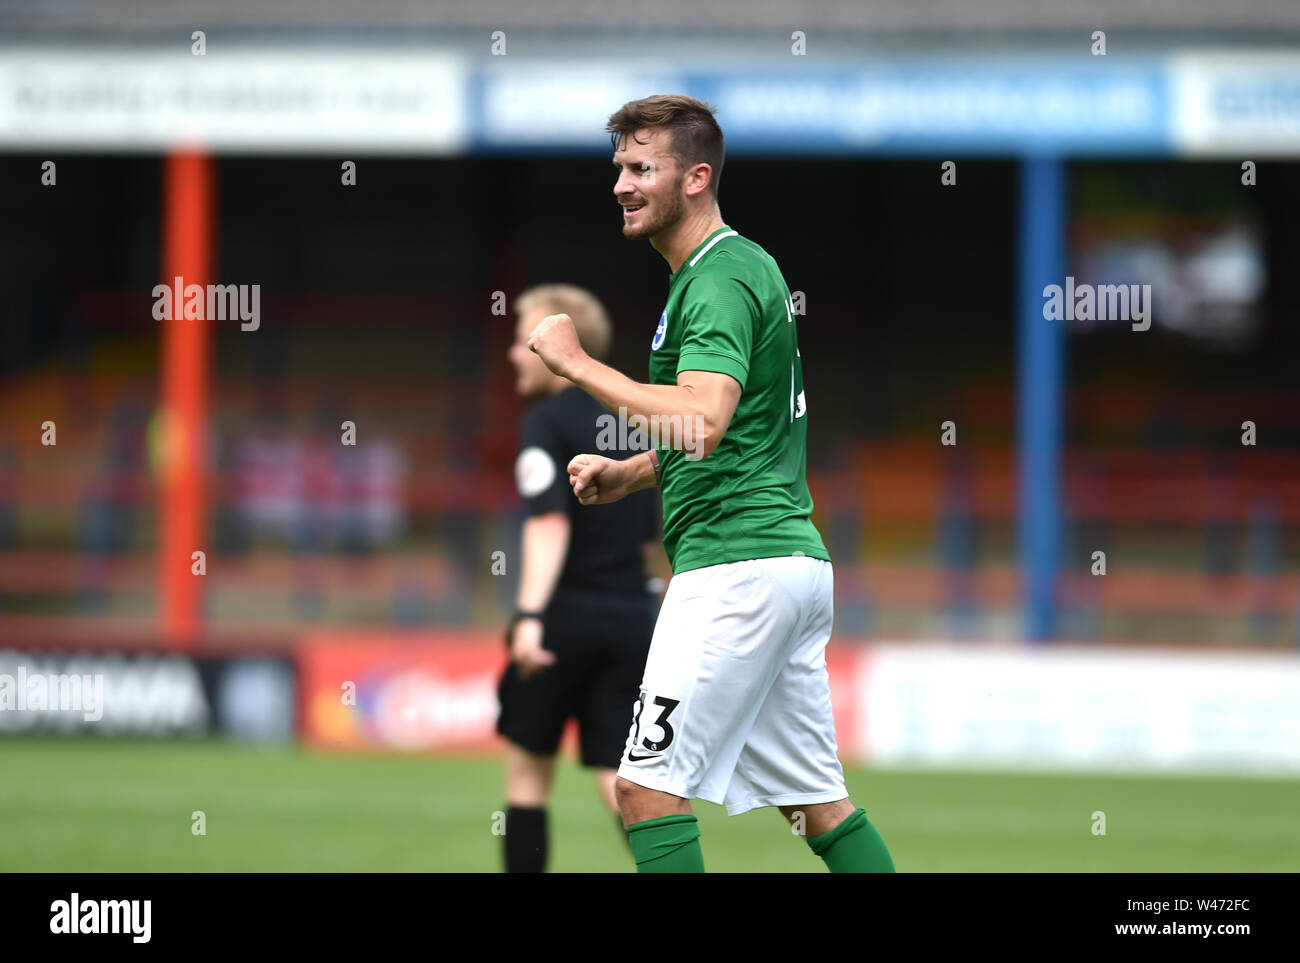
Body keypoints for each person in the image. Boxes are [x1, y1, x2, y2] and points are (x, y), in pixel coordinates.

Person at [526, 94, 895, 873]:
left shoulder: (717, 276)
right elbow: (737, 430)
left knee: (645, 792)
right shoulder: (734, 267)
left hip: (735, 569)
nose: (621, 185)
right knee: (815, 804)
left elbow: (702, 418)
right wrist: (631, 473)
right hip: (787, 563)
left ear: (696, 177)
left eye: (639, 168)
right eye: (618, 168)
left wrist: (577, 365)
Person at [498, 282, 662, 873]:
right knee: (622, 783)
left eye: (526, 342)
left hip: (563, 618)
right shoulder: (637, 418)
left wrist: (529, 618)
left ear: (558, 347)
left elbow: (548, 525)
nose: (516, 354)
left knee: (527, 776)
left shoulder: (545, 422)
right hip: (631, 620)